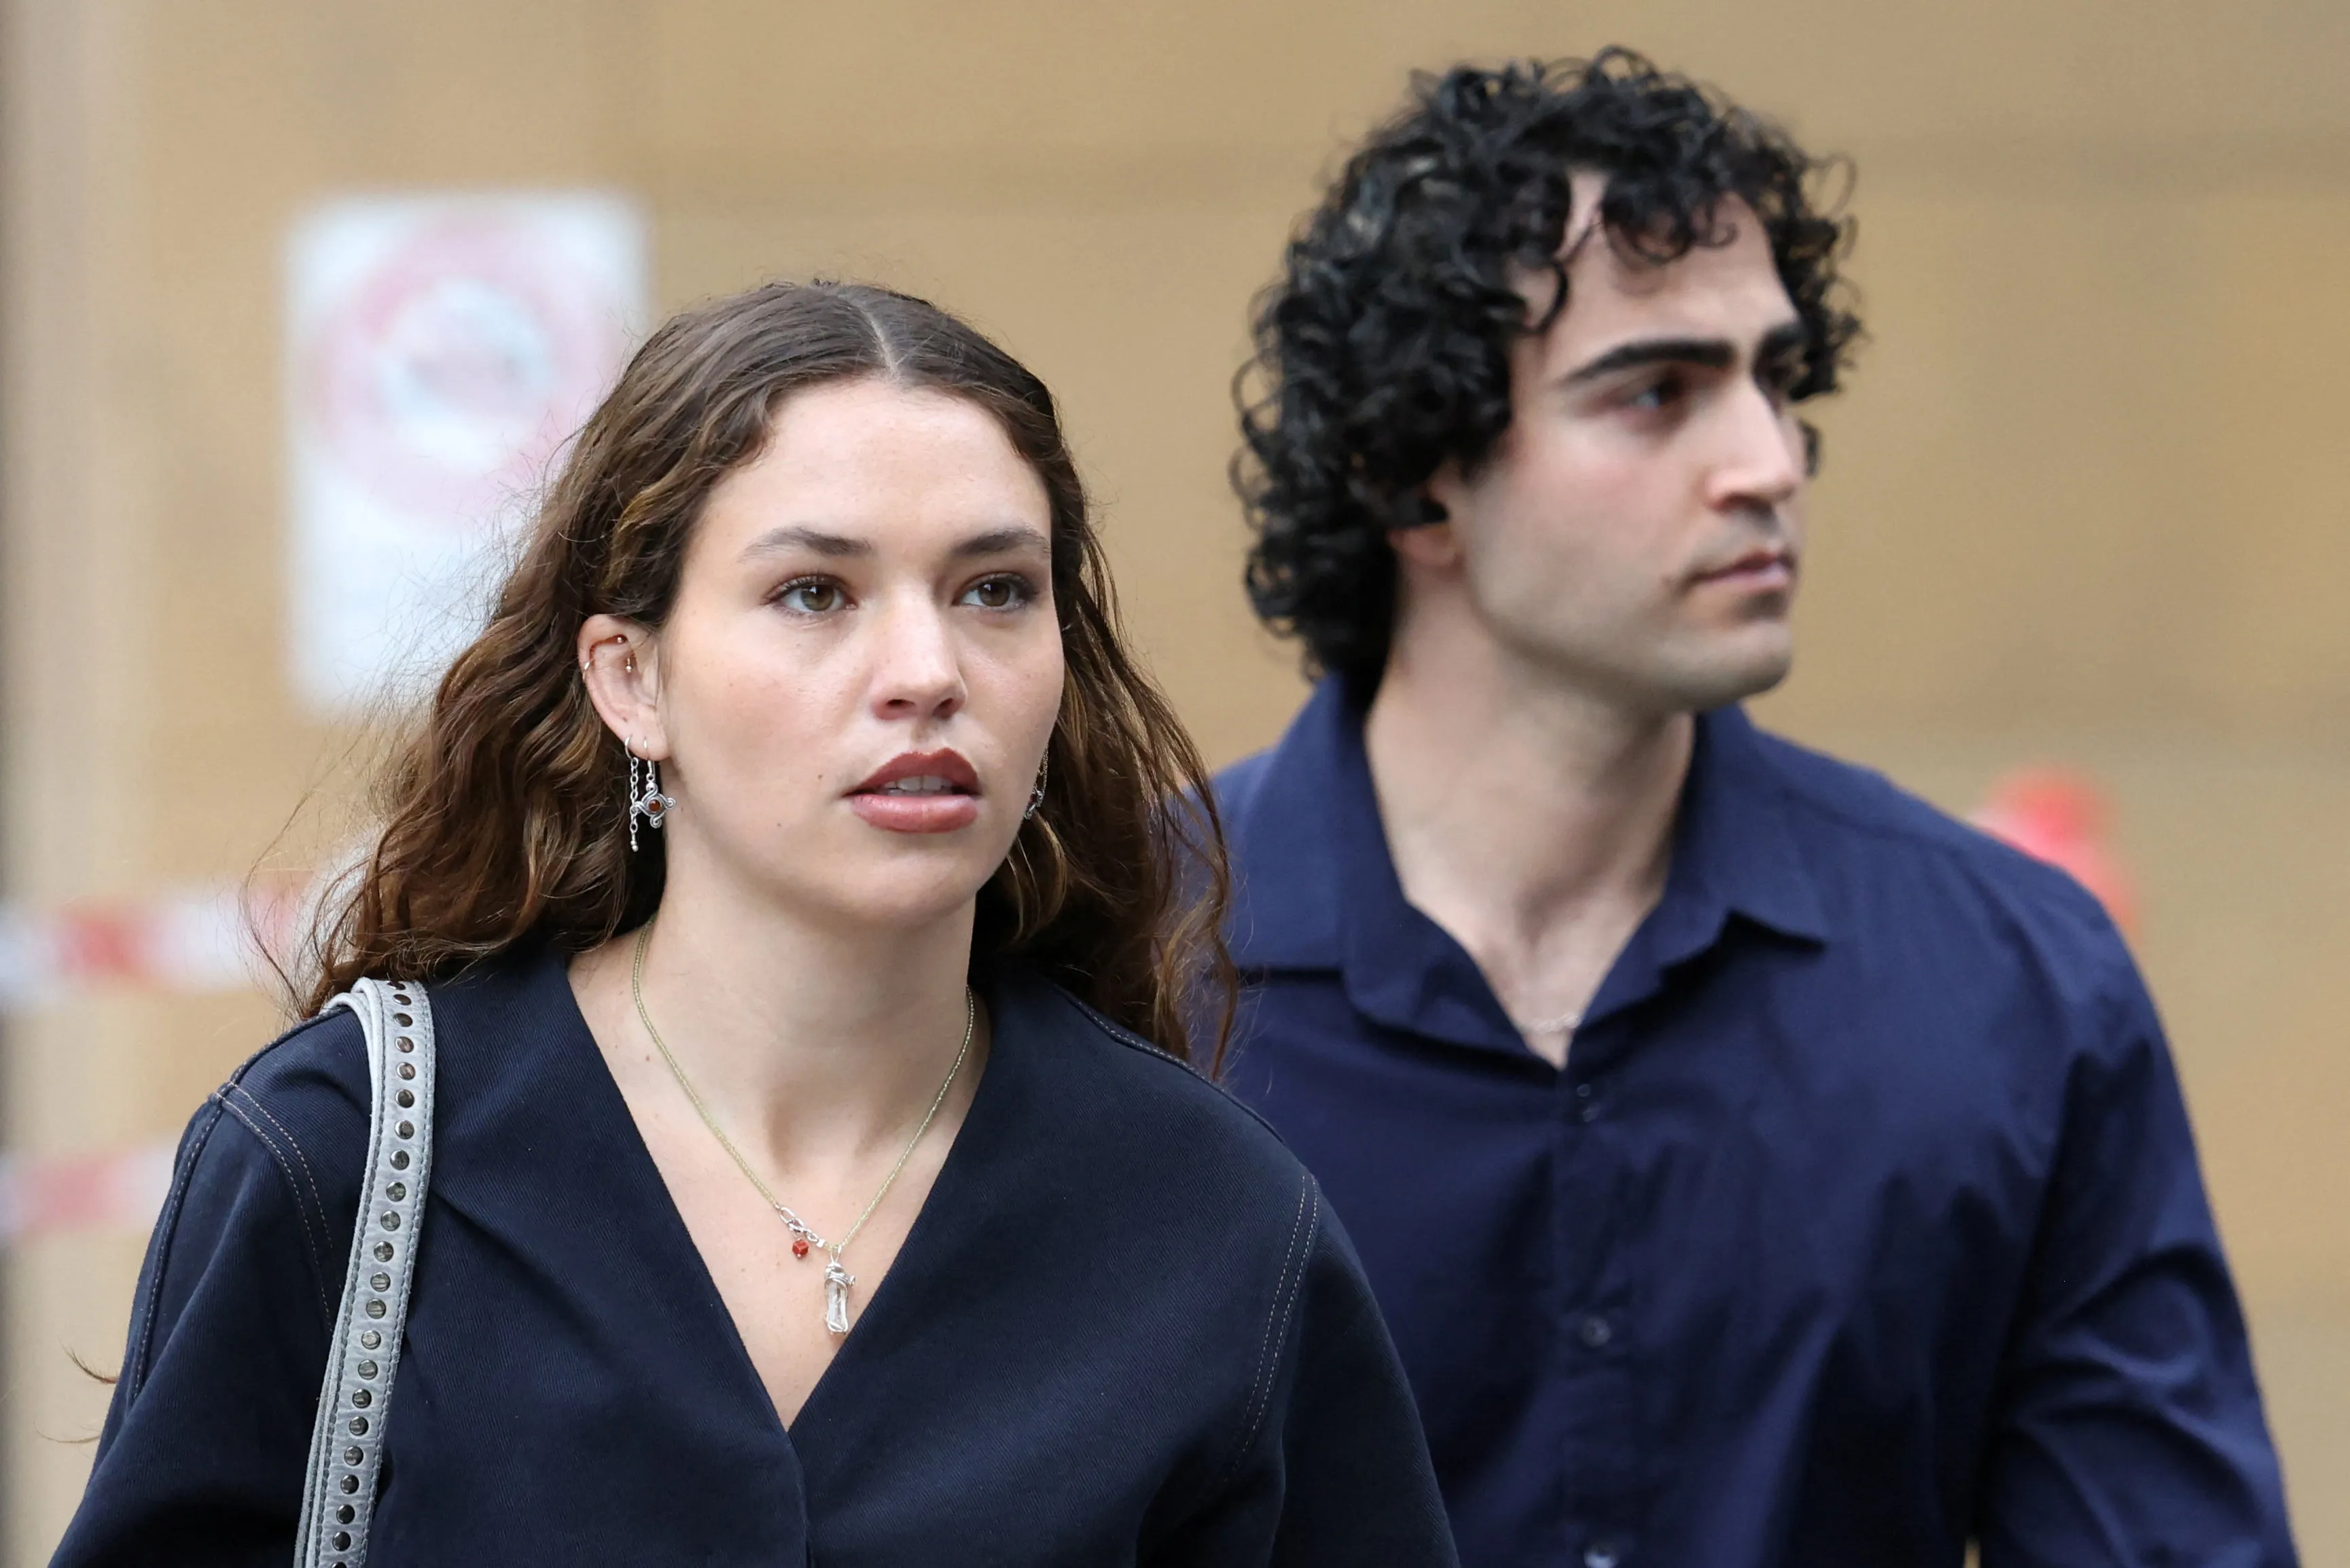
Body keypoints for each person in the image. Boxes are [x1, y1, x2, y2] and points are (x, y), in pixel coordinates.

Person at [56, 281, 1457, 1565]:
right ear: (631, 679)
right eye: (813, 593)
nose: (926, 670)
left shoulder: (1212, 1218)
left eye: (994, 590)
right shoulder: (347, 1154)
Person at [1217, 50, 2298, 1568]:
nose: (1767, 462)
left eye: (1776, 380)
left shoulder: (2015, 983)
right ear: (1411, 476)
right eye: (1654, 392)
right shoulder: (1118, 973)